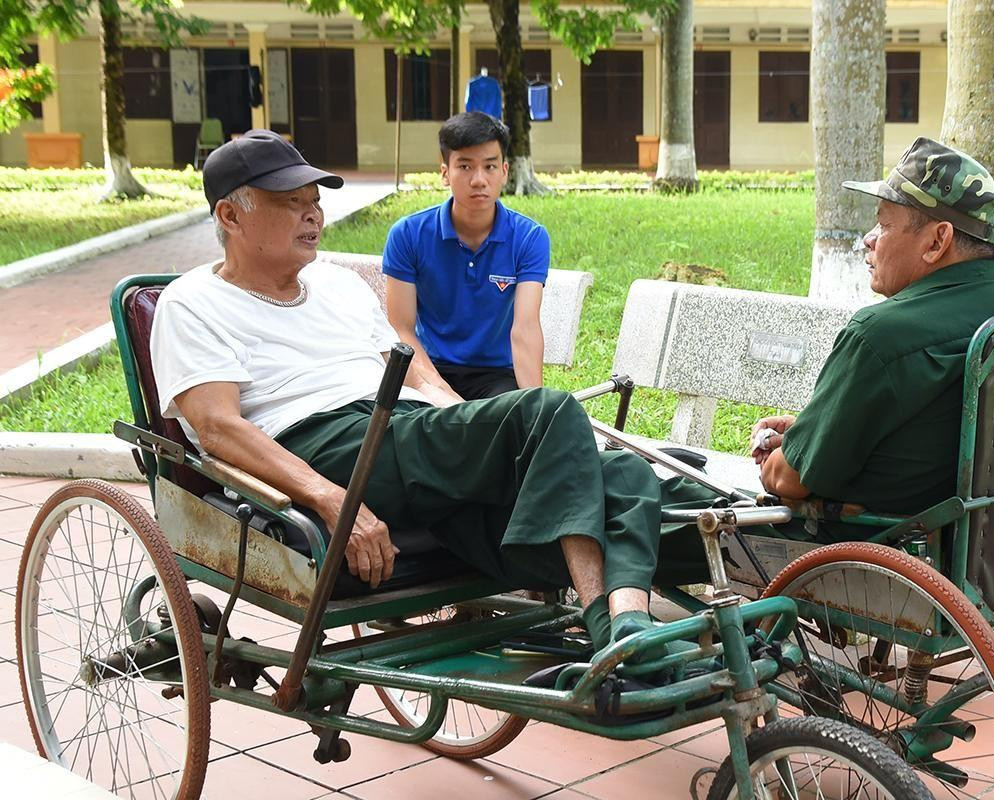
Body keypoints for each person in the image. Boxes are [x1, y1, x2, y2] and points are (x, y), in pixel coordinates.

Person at [148, 129, 660, 657]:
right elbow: (218, 428)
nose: (313, 215)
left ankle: (628, 626)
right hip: (320, 442)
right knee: (548, 409)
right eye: (291, 203)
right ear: (230, 216)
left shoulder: (339, 284)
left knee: (624, 473)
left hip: (400, 428)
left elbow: (416, 374)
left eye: (315, 202)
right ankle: (603, 629)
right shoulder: (192, 302)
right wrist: (331, 498)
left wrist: (480, 427)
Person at [655, 138, 994, 569]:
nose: (868, 240)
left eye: (883, 225)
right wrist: (811, 434)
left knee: (630, 494)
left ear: (937, 241)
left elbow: (787, 479)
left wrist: (776, 459)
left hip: (856, 553)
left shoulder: (881, 335)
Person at [382, 112, 549, 404]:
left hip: (497, 376)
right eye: (465, 166)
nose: (479, 180)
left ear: (504, 171)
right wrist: (443, 392)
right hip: (430, 369)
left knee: (509, 419)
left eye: (490, 166)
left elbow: (525, 329)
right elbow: (402, 329)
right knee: (410, 422)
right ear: (445, 172)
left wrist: (535, 407)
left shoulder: (529, 237)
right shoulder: (408, 235)